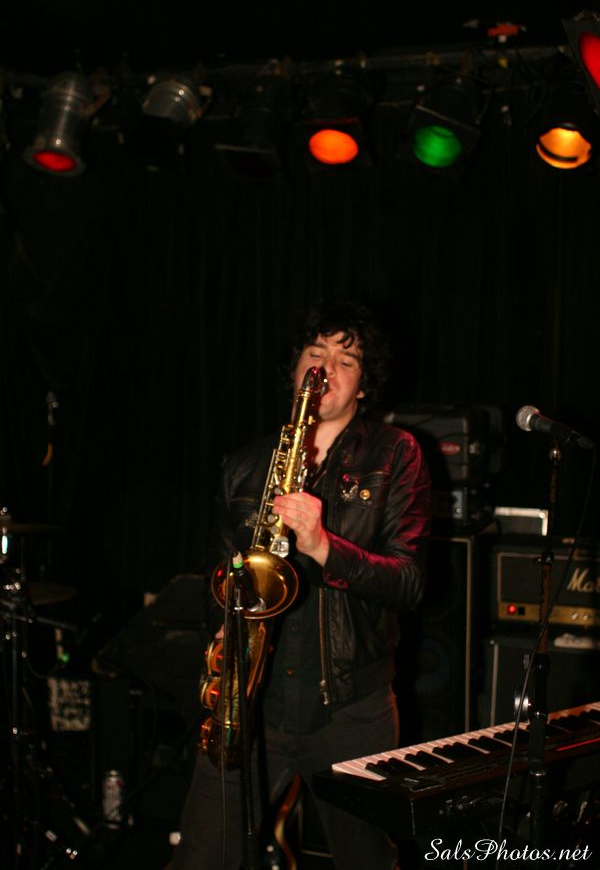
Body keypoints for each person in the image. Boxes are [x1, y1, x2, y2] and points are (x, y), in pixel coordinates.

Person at [172, 301, 431, 870]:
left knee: (367, 861)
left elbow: (409, 582)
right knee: (202, 858)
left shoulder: (396, 454)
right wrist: (223, 643)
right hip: (251, 698)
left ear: (364, 385)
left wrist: (322, 546)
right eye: (316, 354)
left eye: (346, 360)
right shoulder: (245, 464)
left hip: (350, 709)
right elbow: (221, 578)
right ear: (296, 370)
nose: (326, 369)